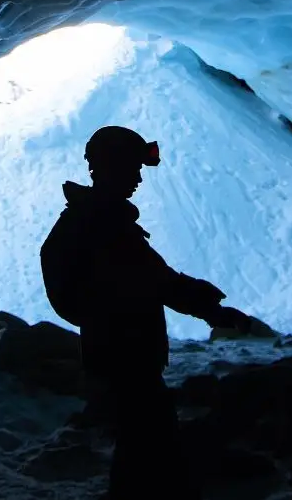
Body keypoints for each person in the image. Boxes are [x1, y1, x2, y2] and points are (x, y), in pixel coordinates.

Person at [40, 125, 253, 499]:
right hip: (128, 354)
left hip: (116, 351)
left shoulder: (94, 219)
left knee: (139, 445)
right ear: (111, 168)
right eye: (133, 168)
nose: (139, 177)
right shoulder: (104, 225)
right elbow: (154, 280)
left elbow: (148, 280)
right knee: (148, 446)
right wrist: (207, 307)